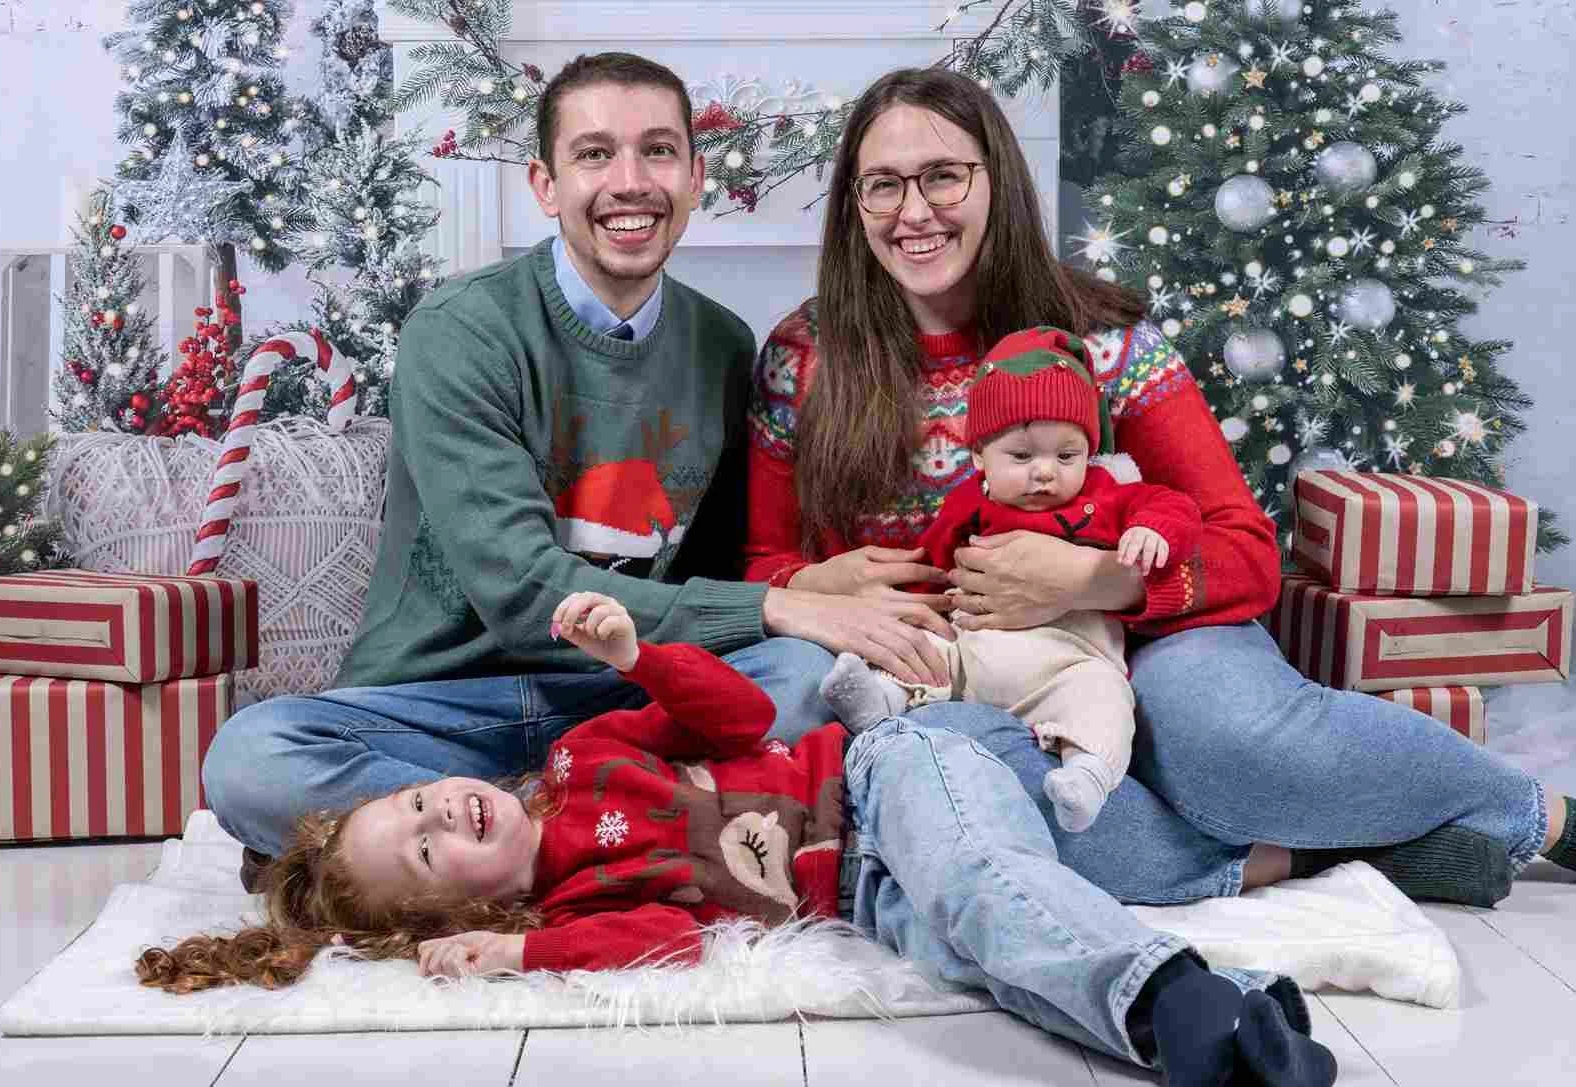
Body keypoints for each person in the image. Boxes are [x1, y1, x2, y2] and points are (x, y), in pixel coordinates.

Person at [745, 66, 1576, 908]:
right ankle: (1323, 859)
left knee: (1232, 748)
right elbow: (757, 566)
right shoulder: (806, 358)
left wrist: (1094, 580)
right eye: (881, 185)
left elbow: (1245, 550)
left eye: (942, 175)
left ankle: (1537, 814)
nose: (912, 211)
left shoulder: (1104, 342)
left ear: (996, 178)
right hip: (961, 667)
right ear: (854, 203)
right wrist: (809, 581)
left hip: (1149, 637)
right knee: (967, 787)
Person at [202, 52, 969, 884]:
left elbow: (706, 578)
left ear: (695, 176)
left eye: (658, 152)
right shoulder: (462, 330)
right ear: (544, 183)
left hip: (620, 698)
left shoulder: (721, 345)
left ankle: (459, 852)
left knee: (803, 679)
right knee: (251, 759)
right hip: (442, 703)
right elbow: (530, 600)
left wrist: (811, 586)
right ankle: (602, 836)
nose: (630, 181)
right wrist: (787, 603)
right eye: (595, 154)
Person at [139, 592, 1338, 1087]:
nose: (436, 811)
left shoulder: (579, 760)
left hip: (878, 773)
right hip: (860, 893)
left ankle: (1174, 1005)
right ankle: (1243, 992)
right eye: (423, 851)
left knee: (982, 875)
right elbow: (666, 933)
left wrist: (634, 661)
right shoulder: (568, 918)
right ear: (464, 914)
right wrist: (526, 962)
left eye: (414, 803)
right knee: (972, 940)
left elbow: (742, 717)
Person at [820, 324, 1201, 833]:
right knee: (931, 654)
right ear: (979, 456)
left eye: (1066, 455)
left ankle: (1086, 775)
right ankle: (881, 701)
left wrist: (1153, 532)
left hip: (1070, 663)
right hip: (976, 649)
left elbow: (1172, 505)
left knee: (1106, 699)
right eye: (1021, 456)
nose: (1045, 472)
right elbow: (930, 567)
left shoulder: (1108, 495)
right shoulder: (969, 506)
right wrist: (904, 613)